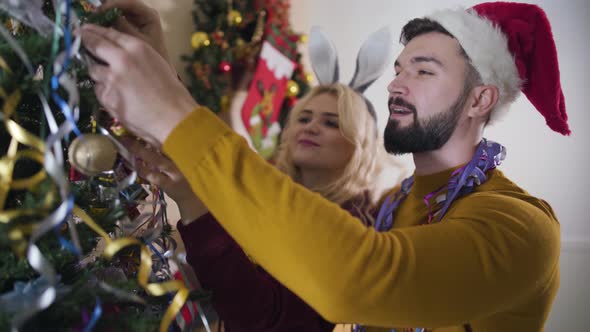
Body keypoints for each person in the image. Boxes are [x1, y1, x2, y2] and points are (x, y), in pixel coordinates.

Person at [81, 1, 569, 331]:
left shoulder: (520, 225)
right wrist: (167, 88)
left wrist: (174, 112)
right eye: (399, 69)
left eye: (423, 70)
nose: (397, 85)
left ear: (479, 99)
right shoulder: (391, 210)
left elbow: (359, 278)